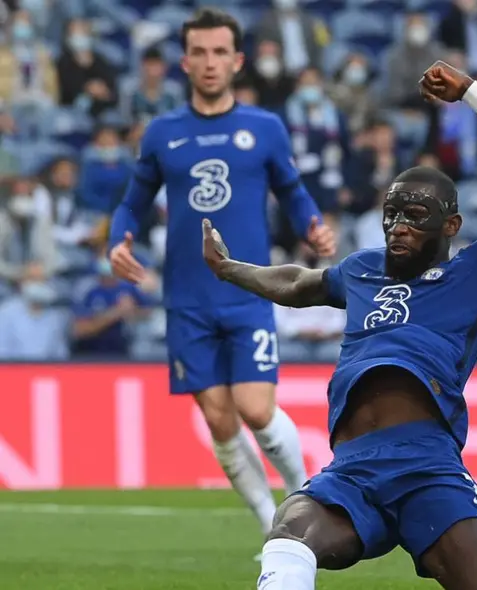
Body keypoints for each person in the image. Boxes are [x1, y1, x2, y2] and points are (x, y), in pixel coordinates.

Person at [200, 60, 477, 590]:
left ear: (451, 225)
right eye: (392, 212)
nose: (398, 225)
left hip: (427, 466)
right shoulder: (362, 268)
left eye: (416, 215)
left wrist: (472, 94)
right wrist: (231, 269)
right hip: (351, 469)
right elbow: (300, 284)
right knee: (287, 535)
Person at [107, 8, 336, 543]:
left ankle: (308, 495)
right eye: (200, 53)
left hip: (248, 291)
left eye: (219, 53)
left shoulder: (264, 127)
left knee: (256, 407)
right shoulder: (163, 133)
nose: (210, 63)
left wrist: (314, 226)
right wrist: (117, 240)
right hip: (186, 299)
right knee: (219, 420)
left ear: (237, 61)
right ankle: (270, 527)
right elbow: (133, 203)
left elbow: (293, 192)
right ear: (185, 63)